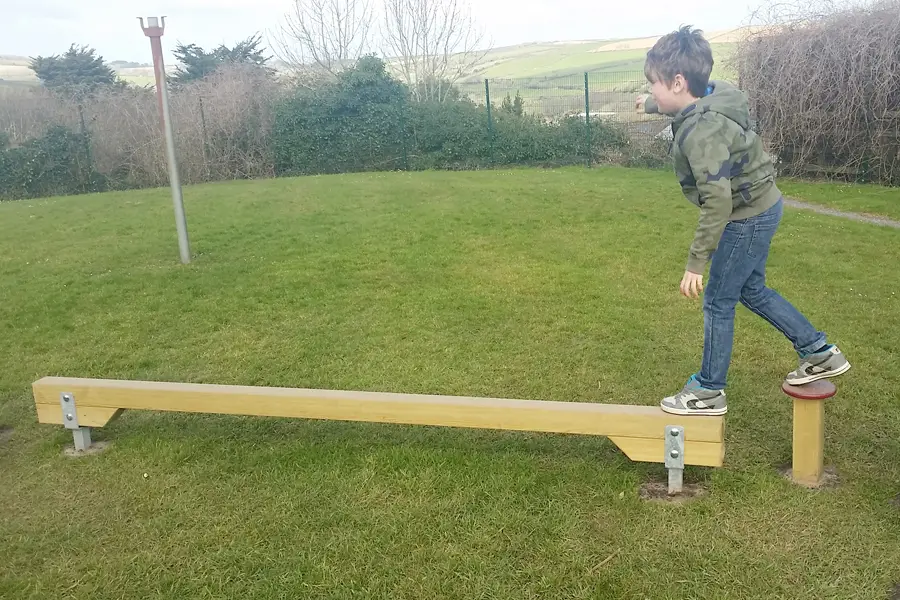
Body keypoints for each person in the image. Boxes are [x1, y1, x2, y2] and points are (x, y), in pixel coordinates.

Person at [641, 25, 850, 416]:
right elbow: (690, 102)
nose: (651, 89)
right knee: (752, 290)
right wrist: (652, 103)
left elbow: (717, 202)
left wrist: (695, 263)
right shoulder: (715, 94)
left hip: (744, 215)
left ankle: (708, 389)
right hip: (764, 204)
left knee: (718, 301)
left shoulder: (702, 132)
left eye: (653, 84)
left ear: (678, 81)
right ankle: (819, 351)